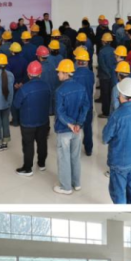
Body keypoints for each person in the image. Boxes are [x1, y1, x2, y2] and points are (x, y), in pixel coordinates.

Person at [102, 77, 131, 204]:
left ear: (121, 94)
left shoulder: (117, 115)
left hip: (119, 161)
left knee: (118, 192)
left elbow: (105, 138)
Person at [53, 59, 90, 195]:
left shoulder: (60, 91)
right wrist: (78, 124)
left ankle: (66, 187)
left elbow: (60, 112)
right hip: (77, 130)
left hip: (64, 129)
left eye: (59, 72)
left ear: (65, 73)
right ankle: (76, 183)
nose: (58, 74)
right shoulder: (81, 87)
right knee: (75, 156)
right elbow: (85, 106)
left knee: (64, 158)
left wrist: (70, 124)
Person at [13, 61, 51, 176]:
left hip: (27, 122)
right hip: (43, 120)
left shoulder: (24, 89)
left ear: (28, 74)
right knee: (42, 142)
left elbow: (16, 105)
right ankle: (42, 164)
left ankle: (28, 168)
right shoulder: (46, 86)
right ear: (40, 74)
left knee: (28, 144)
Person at [97, 33, 116, 119]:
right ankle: (112, 111)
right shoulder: (114, 50)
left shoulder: (101, 51)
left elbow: (102, 64)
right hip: (113, 75)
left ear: (104, 41)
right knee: (112, 94)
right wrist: (111, 73)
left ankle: (106, 113)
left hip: (104, 76)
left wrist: (107, 73)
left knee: (105, 95)